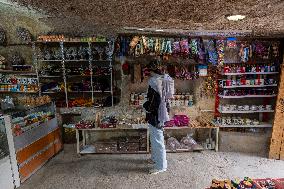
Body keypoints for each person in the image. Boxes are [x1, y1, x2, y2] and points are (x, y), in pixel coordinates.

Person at [143, 60, 174, 175]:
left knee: (157, 139)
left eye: (149, 71)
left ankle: (161, 166)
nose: (148, 73)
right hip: (162, 112)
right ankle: (155, 159)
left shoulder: (154, 82)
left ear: (152, 71)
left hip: (156, 114)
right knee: (155, 138)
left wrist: (145, 107)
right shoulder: (165, 78)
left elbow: (153, 101)